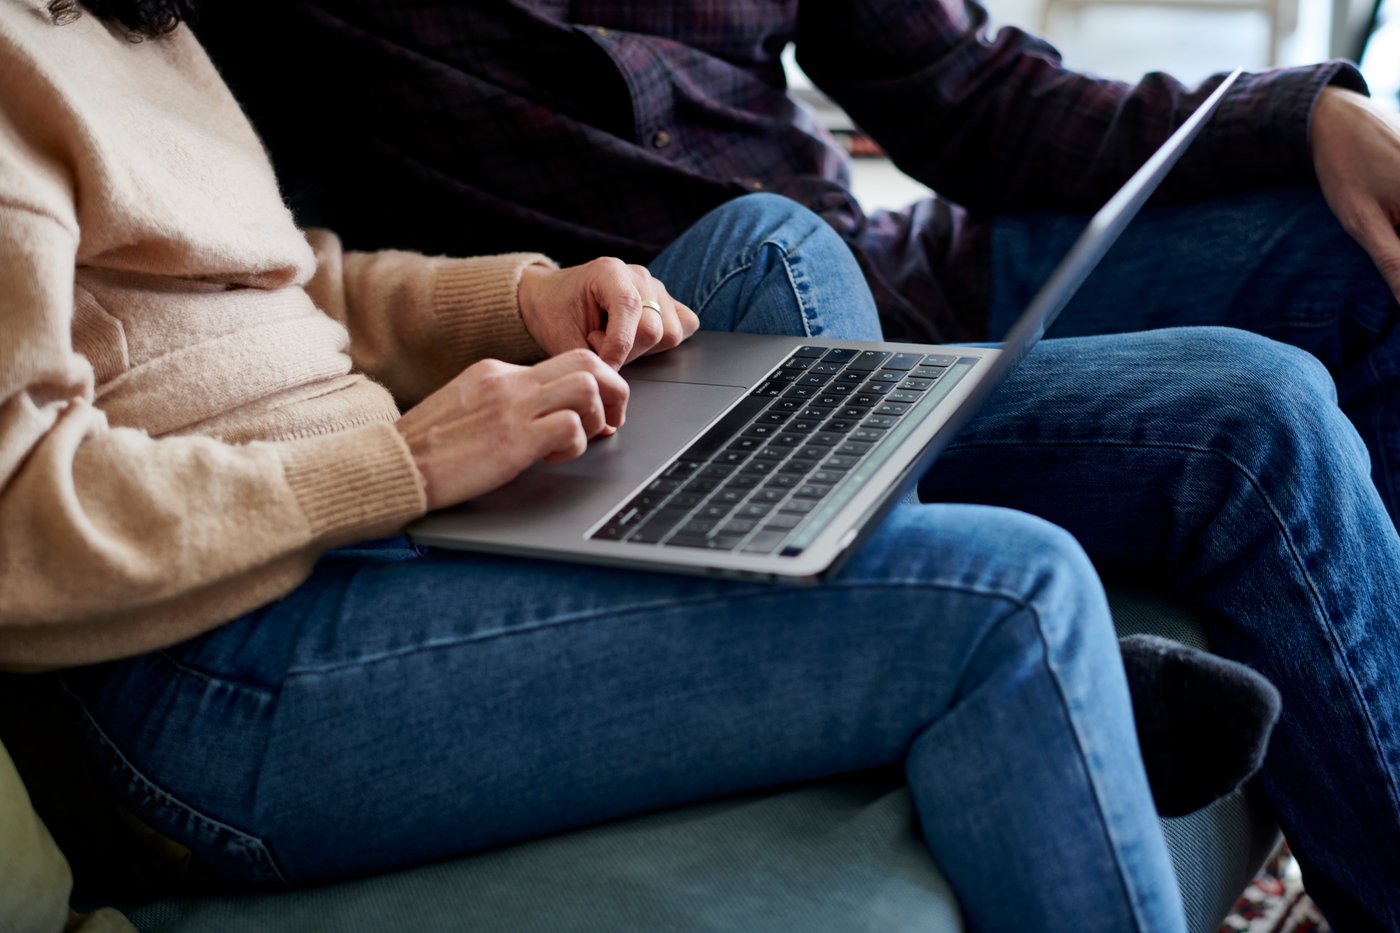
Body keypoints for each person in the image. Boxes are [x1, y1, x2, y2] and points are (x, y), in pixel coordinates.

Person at [1, 2, 1397, 931]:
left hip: (378, 516)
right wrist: (396, 461)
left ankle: (875, 576)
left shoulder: (131, 27)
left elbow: (302, 285)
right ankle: (958, 624)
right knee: (1016, 602)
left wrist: (522, 300)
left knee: (779, 246)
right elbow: (17, 526)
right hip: (220, 659)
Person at [191, 1, 1400, 536]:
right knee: (771, 247)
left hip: (909, 283)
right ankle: (949, 604)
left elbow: (973, 95)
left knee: (1339, 252)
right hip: (655, 376)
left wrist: (1293, 117)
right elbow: (272, 264)